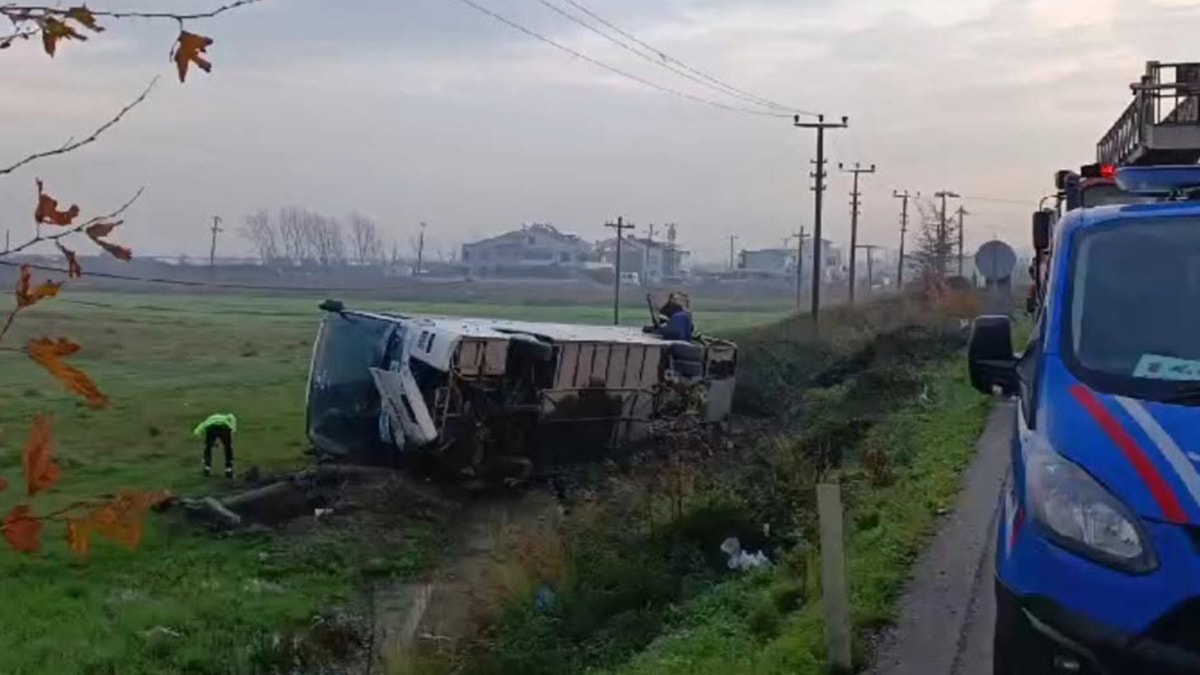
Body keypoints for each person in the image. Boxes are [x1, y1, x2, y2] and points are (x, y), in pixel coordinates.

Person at [193, 412, 238, 478]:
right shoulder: (225, 417)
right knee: (228, 447)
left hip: (212, 427)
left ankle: (207, 466)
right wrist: (233, 428)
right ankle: (229, 467)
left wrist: (199, 434)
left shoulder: (208, 420)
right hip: (224, 427)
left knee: (208, 447)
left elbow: (199, 429)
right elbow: (232, 416)